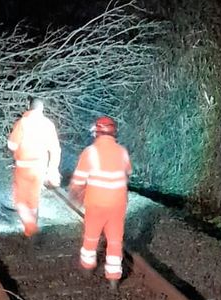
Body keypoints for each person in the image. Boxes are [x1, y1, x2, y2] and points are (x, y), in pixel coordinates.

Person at [69, 116, 131, 289]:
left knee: (91, 236)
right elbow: (127, 173)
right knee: (115, 239)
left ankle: (88, 267)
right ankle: (113, 278)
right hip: (118, 203)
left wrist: (75, 192)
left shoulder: (90, 152)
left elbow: (80, 179)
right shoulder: (122, 151)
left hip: (96, 202)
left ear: (96, 132)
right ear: (114, 132)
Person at [7, 98, 62, 238]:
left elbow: (12, 146)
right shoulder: (48, 124)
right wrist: (52, 170)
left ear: (29, 107)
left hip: (24, 167)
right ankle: (32, 227)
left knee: (20, 198)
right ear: (42, 109)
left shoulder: (23, 123)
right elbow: (55, 149)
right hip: (40, 167)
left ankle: (30, 227)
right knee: (34, 197)